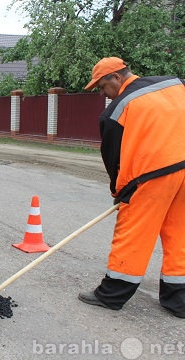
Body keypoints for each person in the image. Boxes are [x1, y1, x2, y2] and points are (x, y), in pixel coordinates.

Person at [79, 57, 185, 318]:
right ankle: (179, 299)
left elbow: (113, 159)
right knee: (180, 234)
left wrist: (119, 191)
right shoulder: (175, 84)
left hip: (152, 176)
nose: (103, 94)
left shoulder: (117, 109)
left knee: (134, 235)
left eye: (102, 87)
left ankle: (112, 294)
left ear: (115, 77)